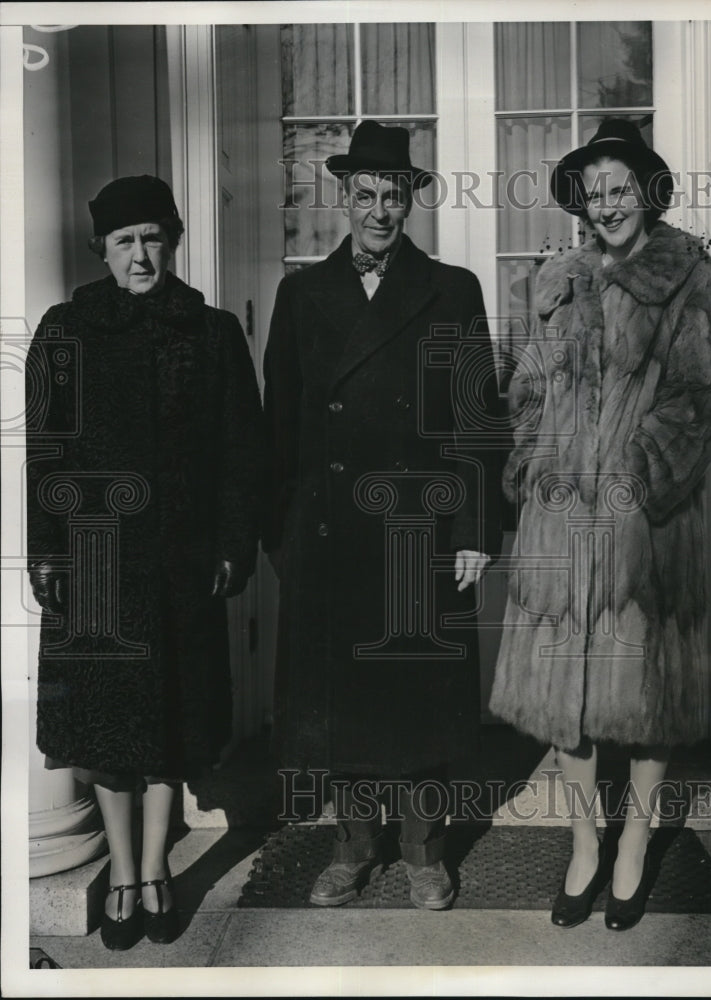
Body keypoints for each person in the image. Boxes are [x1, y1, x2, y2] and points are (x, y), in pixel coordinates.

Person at [489, 119, 711, 930]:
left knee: (646, 689)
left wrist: (633, 481)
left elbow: (698, 399)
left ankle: (632, 847)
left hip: (645, 523)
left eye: (620, 187)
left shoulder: (690, 277)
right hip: (558, 520)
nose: (606, 203)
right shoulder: (553, 280)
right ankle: (584, 845)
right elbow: (521, 388)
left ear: (647, 191)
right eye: (593, 192)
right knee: (562, 693)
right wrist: (533, 461)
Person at [263, 120, 502, 909]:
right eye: (364, 195)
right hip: (329, 532)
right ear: (342, 198)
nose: (378, 211)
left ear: (410, 201)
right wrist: (283, 534)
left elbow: (475, 422)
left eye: (392, 195)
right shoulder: (301, 295)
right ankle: (352, 845)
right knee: (343, 707)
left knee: (419, 700)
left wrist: (472, 532)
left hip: (419, 530)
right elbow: (281, 425)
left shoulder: (453, 289)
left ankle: (424, 852)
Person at [25, 175, 264, 949]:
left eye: (154, 238)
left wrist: (234, 542)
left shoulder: (213, 330)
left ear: (175, 240)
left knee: (173, 721)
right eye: (125, 241)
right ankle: (123, 872)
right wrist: (48, 548)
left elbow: (242, 451)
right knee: (106, 732)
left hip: (182, 560)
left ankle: (156, 870)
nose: (141, 255)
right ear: (102, 248)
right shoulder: (67, 329)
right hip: (95, 559)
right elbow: (46, 452)